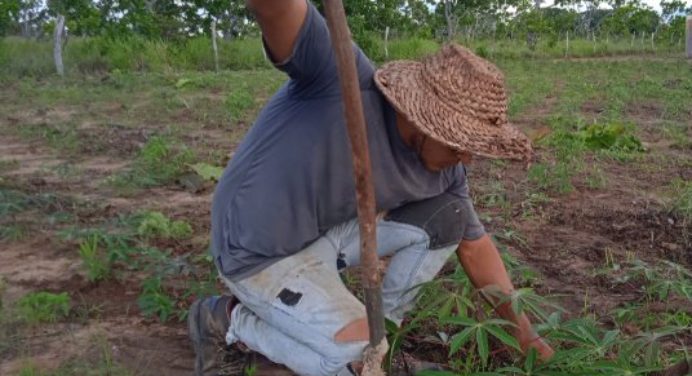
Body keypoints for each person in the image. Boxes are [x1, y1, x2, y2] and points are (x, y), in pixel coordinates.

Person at [188, 1, 555, 375]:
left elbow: (476, 249)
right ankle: (230, 321)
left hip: (325, 236)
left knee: (450, 216)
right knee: (356, 363)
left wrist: (527, 337)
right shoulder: (341, 80)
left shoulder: (447, 169)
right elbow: (278, 10)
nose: (466, 158)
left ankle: (382, 339)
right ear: (421, 119)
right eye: (458, 142)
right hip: (259, 250)